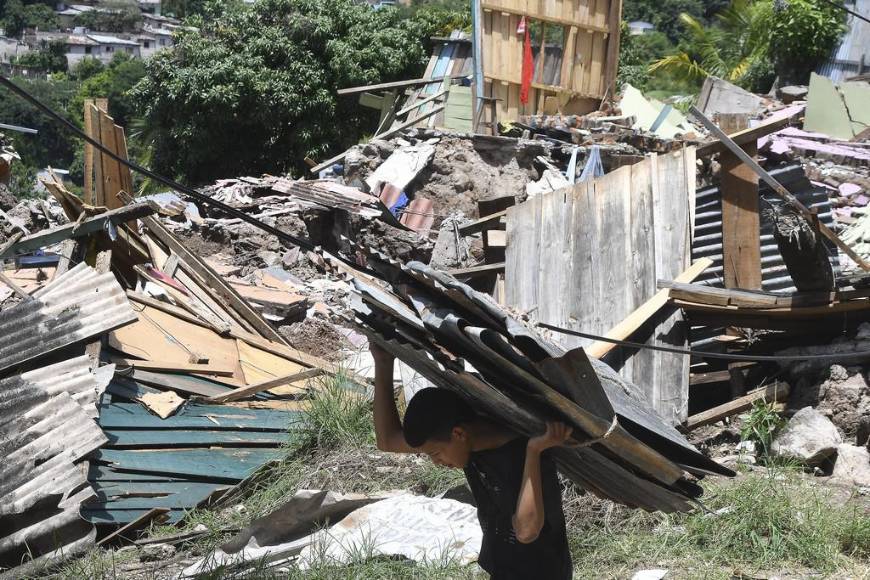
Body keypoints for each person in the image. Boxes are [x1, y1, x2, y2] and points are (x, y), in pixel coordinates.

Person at [370, 343, 574, 579]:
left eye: (436, 453)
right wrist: (383, 363)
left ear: (458, 433)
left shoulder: (524, 454)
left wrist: (534, 451)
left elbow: (527, 531)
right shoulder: (470, 444)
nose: (437, 463)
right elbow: (387, 440)